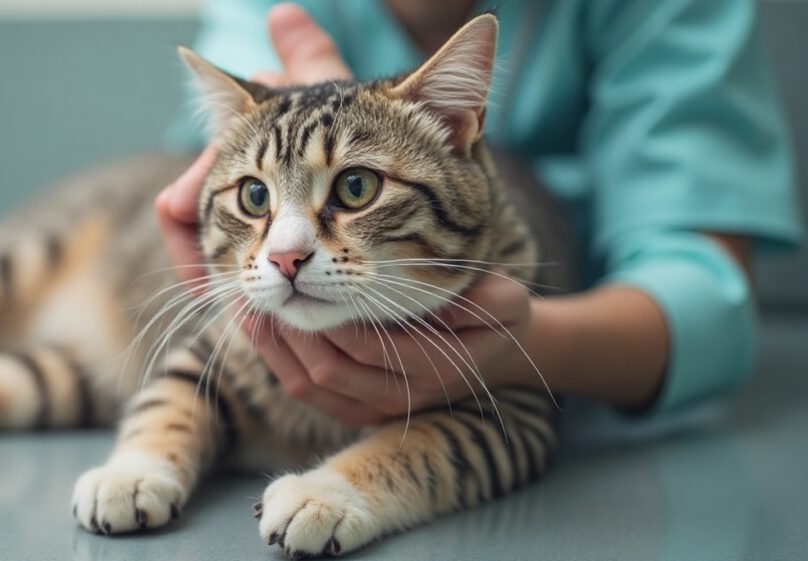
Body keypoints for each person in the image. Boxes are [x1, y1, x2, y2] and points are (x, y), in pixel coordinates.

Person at [155, 1, 802, 427]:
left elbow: (710, 305)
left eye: (354, 187)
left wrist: (523, 346)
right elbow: (203, 185)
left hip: (570, 396)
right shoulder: (267, 11)